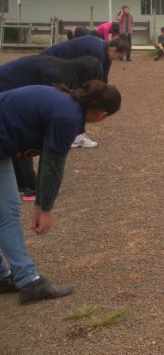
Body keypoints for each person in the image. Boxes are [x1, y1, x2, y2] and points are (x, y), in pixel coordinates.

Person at [0, 81, 121, 305]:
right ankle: (29, 282)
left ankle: (5, 276)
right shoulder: (67, 117)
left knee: (6, 210)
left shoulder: (65, 101)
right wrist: (44, 208)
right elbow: (52, 165)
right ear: (102, 114)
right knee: (7, 214)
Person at [0, 55, 103, 203]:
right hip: (6, 86)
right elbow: (32, 133)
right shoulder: (55, 78)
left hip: (15, 87)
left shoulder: (64, 71)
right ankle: (30, 185)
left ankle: (23, 184)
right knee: (19, 131)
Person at [43, 35, 127, 85]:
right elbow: (93, 81)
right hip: (50, 58)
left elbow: (104, 78)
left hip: (61, 61)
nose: (119, 60)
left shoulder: (106, 49)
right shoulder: (99, 53)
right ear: (114, 50)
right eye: (120, 57)